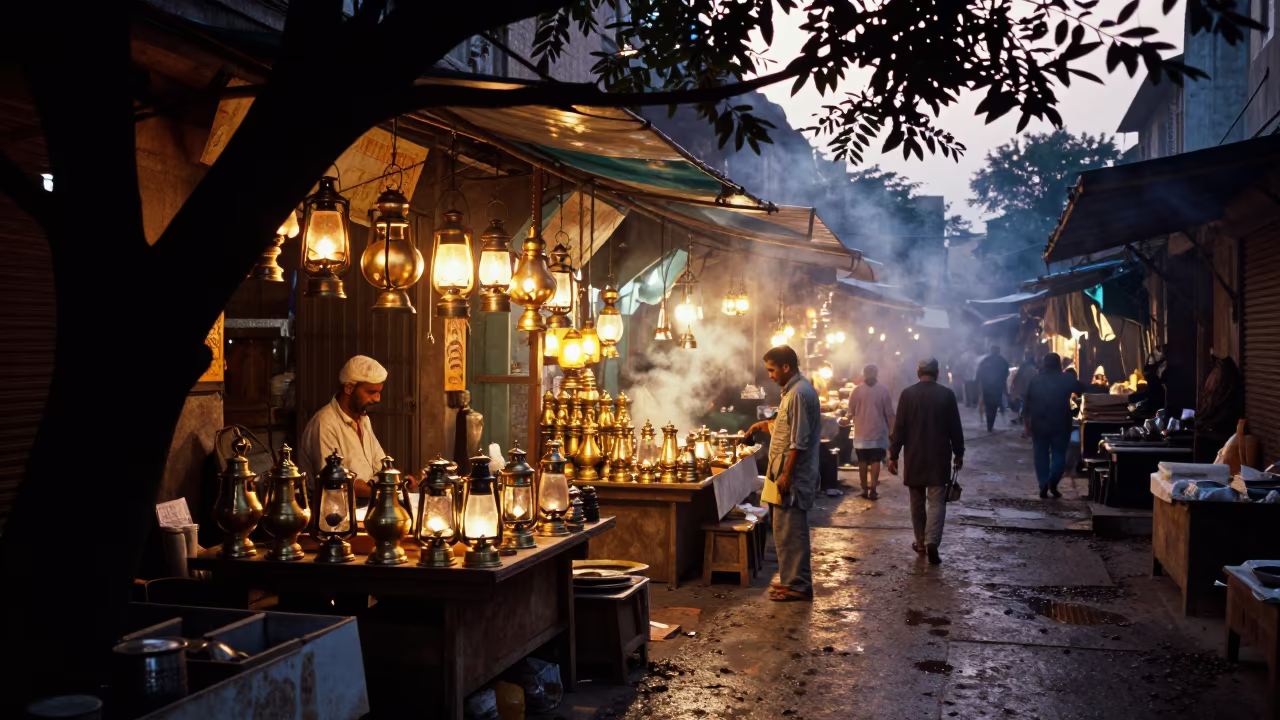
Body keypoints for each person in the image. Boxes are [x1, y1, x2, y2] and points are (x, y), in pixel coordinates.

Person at [746, 345, 821, 602]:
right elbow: (786, 425)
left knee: (792, 529)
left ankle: (799, 585)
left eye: (772, 369)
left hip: (793, 477)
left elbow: (798, 440)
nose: (769, 375)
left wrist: (787, 474)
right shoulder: (791, 391)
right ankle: (791, 580)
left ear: (786, 367)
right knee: (782, 529)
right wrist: (764, 425)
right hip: (783, 473)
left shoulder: (799, 393)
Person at [888, 358, 964, 565]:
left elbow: (900, 429)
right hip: (939, 457)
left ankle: (921, 542)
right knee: (937, 502)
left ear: (918, 372)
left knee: (917, 502)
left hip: (915, 457)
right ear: (937, 373)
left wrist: (893, 455)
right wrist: (959, 453)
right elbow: (955, 428)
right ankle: (932, 542)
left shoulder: (907, 394)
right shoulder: (946, 395)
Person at [299, 355, 395, 499]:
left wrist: (397, 483)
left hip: (367, 504)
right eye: (371, 392)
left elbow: (383, 467)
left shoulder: (364, 420)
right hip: (335, 513)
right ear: (349, 388)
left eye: (379, 392)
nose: (377, 399)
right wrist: (385, 493)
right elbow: (336, 483)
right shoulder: (324, 424)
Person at [1023, 352, 1089, 499]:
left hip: (1039, 424)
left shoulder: (1035, 380)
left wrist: (1026, 422)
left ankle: (1043, 483)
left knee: (1040, 456)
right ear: (1059, 364)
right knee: (1059, 455)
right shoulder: (1066, 378)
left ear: (1044, 364)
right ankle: (1052, 480)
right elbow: (1083, 388)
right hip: (1060, 424)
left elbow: (1026, 402)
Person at [849, 364, 895, 500]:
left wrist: (845, 420)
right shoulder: (883, 390)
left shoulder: (857, 390)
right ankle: (873, 490)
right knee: (876, 460)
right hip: (878, 432)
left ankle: (864, 490)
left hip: (861, 433)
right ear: (876, 374)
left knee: (862, 461)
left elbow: (849, 412)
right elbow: (889, 413)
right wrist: (892, 431)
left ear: (864, 374)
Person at [976, 345, 1011, 432]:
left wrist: (980, 384)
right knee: (994, 406)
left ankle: (989, 425)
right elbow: (1006, 373)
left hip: (987, 387)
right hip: (997, 387)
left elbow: (979, 373)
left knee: (988, 406)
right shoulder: (1002, 361)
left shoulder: (985, 361)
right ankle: (990, 424)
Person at [1010, 353, 1038, 426]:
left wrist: (1014, 385)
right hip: (1031, 389)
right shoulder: (1035, 367)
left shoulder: (1025, 366)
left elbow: (1018, 377)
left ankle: (1022, 418)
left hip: (1025, 389)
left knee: (1023, 404)